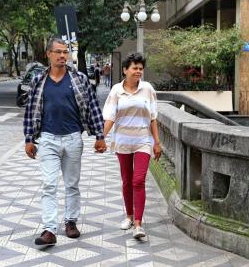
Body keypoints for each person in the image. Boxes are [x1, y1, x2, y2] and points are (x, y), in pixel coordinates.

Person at [23, 37, 107, 247]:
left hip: (73, 139)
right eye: (58, 52)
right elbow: (31, 110)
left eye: (65, 52)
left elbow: (93, 106)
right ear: (48, 55)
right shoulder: (39, 80)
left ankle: (70, 222)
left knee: (72, 184)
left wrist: (99, 136)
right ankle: (49, 230)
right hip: (48, 139)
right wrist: (28, 139)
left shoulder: (79, 78)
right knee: (49, 185)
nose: (62, 56)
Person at [102, 52, 161, 239]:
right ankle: (129, 215)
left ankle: (138, 224)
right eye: (134, 68)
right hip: (123, 141)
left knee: (138, 180)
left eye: (141, 69)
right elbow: (110, 117)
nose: (138, 72)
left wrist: (157, 143)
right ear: (125, 70)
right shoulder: (116, 91)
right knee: (127, 180)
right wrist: (100, 137)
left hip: (143, 141)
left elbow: (153, 117)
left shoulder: (148, 89)